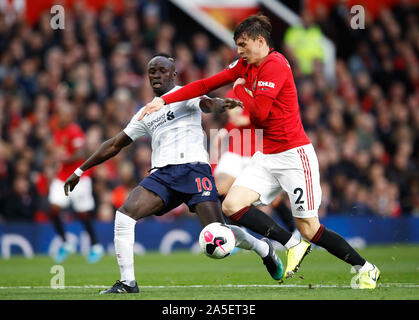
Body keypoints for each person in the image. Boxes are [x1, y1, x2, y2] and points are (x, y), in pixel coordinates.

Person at [140, 16, 381, 289]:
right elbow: (205, 85)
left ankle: (366, 267)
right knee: (231, 205)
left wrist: (240, 90)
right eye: (237, 45)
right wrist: (164, 99)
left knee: (310, 229)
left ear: (260, 41)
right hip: (266, 155)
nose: (239, 51)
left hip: (294, 156)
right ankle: (291, 244)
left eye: (243, 45)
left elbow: (261, 115)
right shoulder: (245, 64)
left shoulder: (275, 66)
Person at [64, 54, 283, 295]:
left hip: (194, 170)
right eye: (152, 72)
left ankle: (263, 249)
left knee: (218, 232)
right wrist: (80, 169)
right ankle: (128, 282)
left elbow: (208, 104)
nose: (156, 75)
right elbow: (115, 144)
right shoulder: (146, 113)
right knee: (125, 215)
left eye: (162, 71)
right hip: (163, 175)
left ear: (173, 74)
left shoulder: (186, 94)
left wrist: (223, 104)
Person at [213, 88, 296, 233]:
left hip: (256, 154)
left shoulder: (264, 92)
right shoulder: (231, 94)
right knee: (219, 190)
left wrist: (248, 119)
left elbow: (271, 118)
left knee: (274, 199)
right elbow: (235, 121)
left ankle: (294, 231)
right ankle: (237, 233)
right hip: (236, 154)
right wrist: (225, 130)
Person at [47, 101, 104, 263]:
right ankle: (66, 243)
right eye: (60, 113)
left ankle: (95, 246)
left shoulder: (75, 131)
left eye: (64, 114)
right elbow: (57, 150)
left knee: (83, 213)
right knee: (53, 209)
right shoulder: (57, 130)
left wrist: (66, 158)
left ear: (70, 115)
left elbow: (81, 153)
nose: (61, 116)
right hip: (61, 177)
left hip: (79, 177)